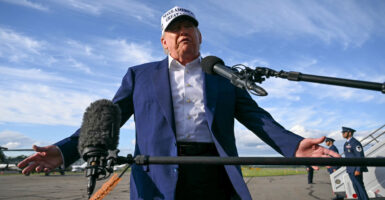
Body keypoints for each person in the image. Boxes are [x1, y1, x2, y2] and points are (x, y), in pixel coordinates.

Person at [17, 6, 340, 200]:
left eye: (189, 27)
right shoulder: (139, 75)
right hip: (158, 170)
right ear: (164, 41)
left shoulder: (222, 76)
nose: (182, 32)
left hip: (215, 169)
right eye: (174, 29)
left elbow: (257, 117)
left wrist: (294, 146)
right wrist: (65, 150)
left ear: (200, 37)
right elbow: (109, 118)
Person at [342, 127, 369, 200]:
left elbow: (360, 157)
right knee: (356, 187)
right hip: (350, 169)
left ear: (349, 133)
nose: (342, 134)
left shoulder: (355, 143)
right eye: (342, 132)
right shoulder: (346, 144)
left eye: (344, 132)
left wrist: (358, 169)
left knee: (360, 187)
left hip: (355, 170)